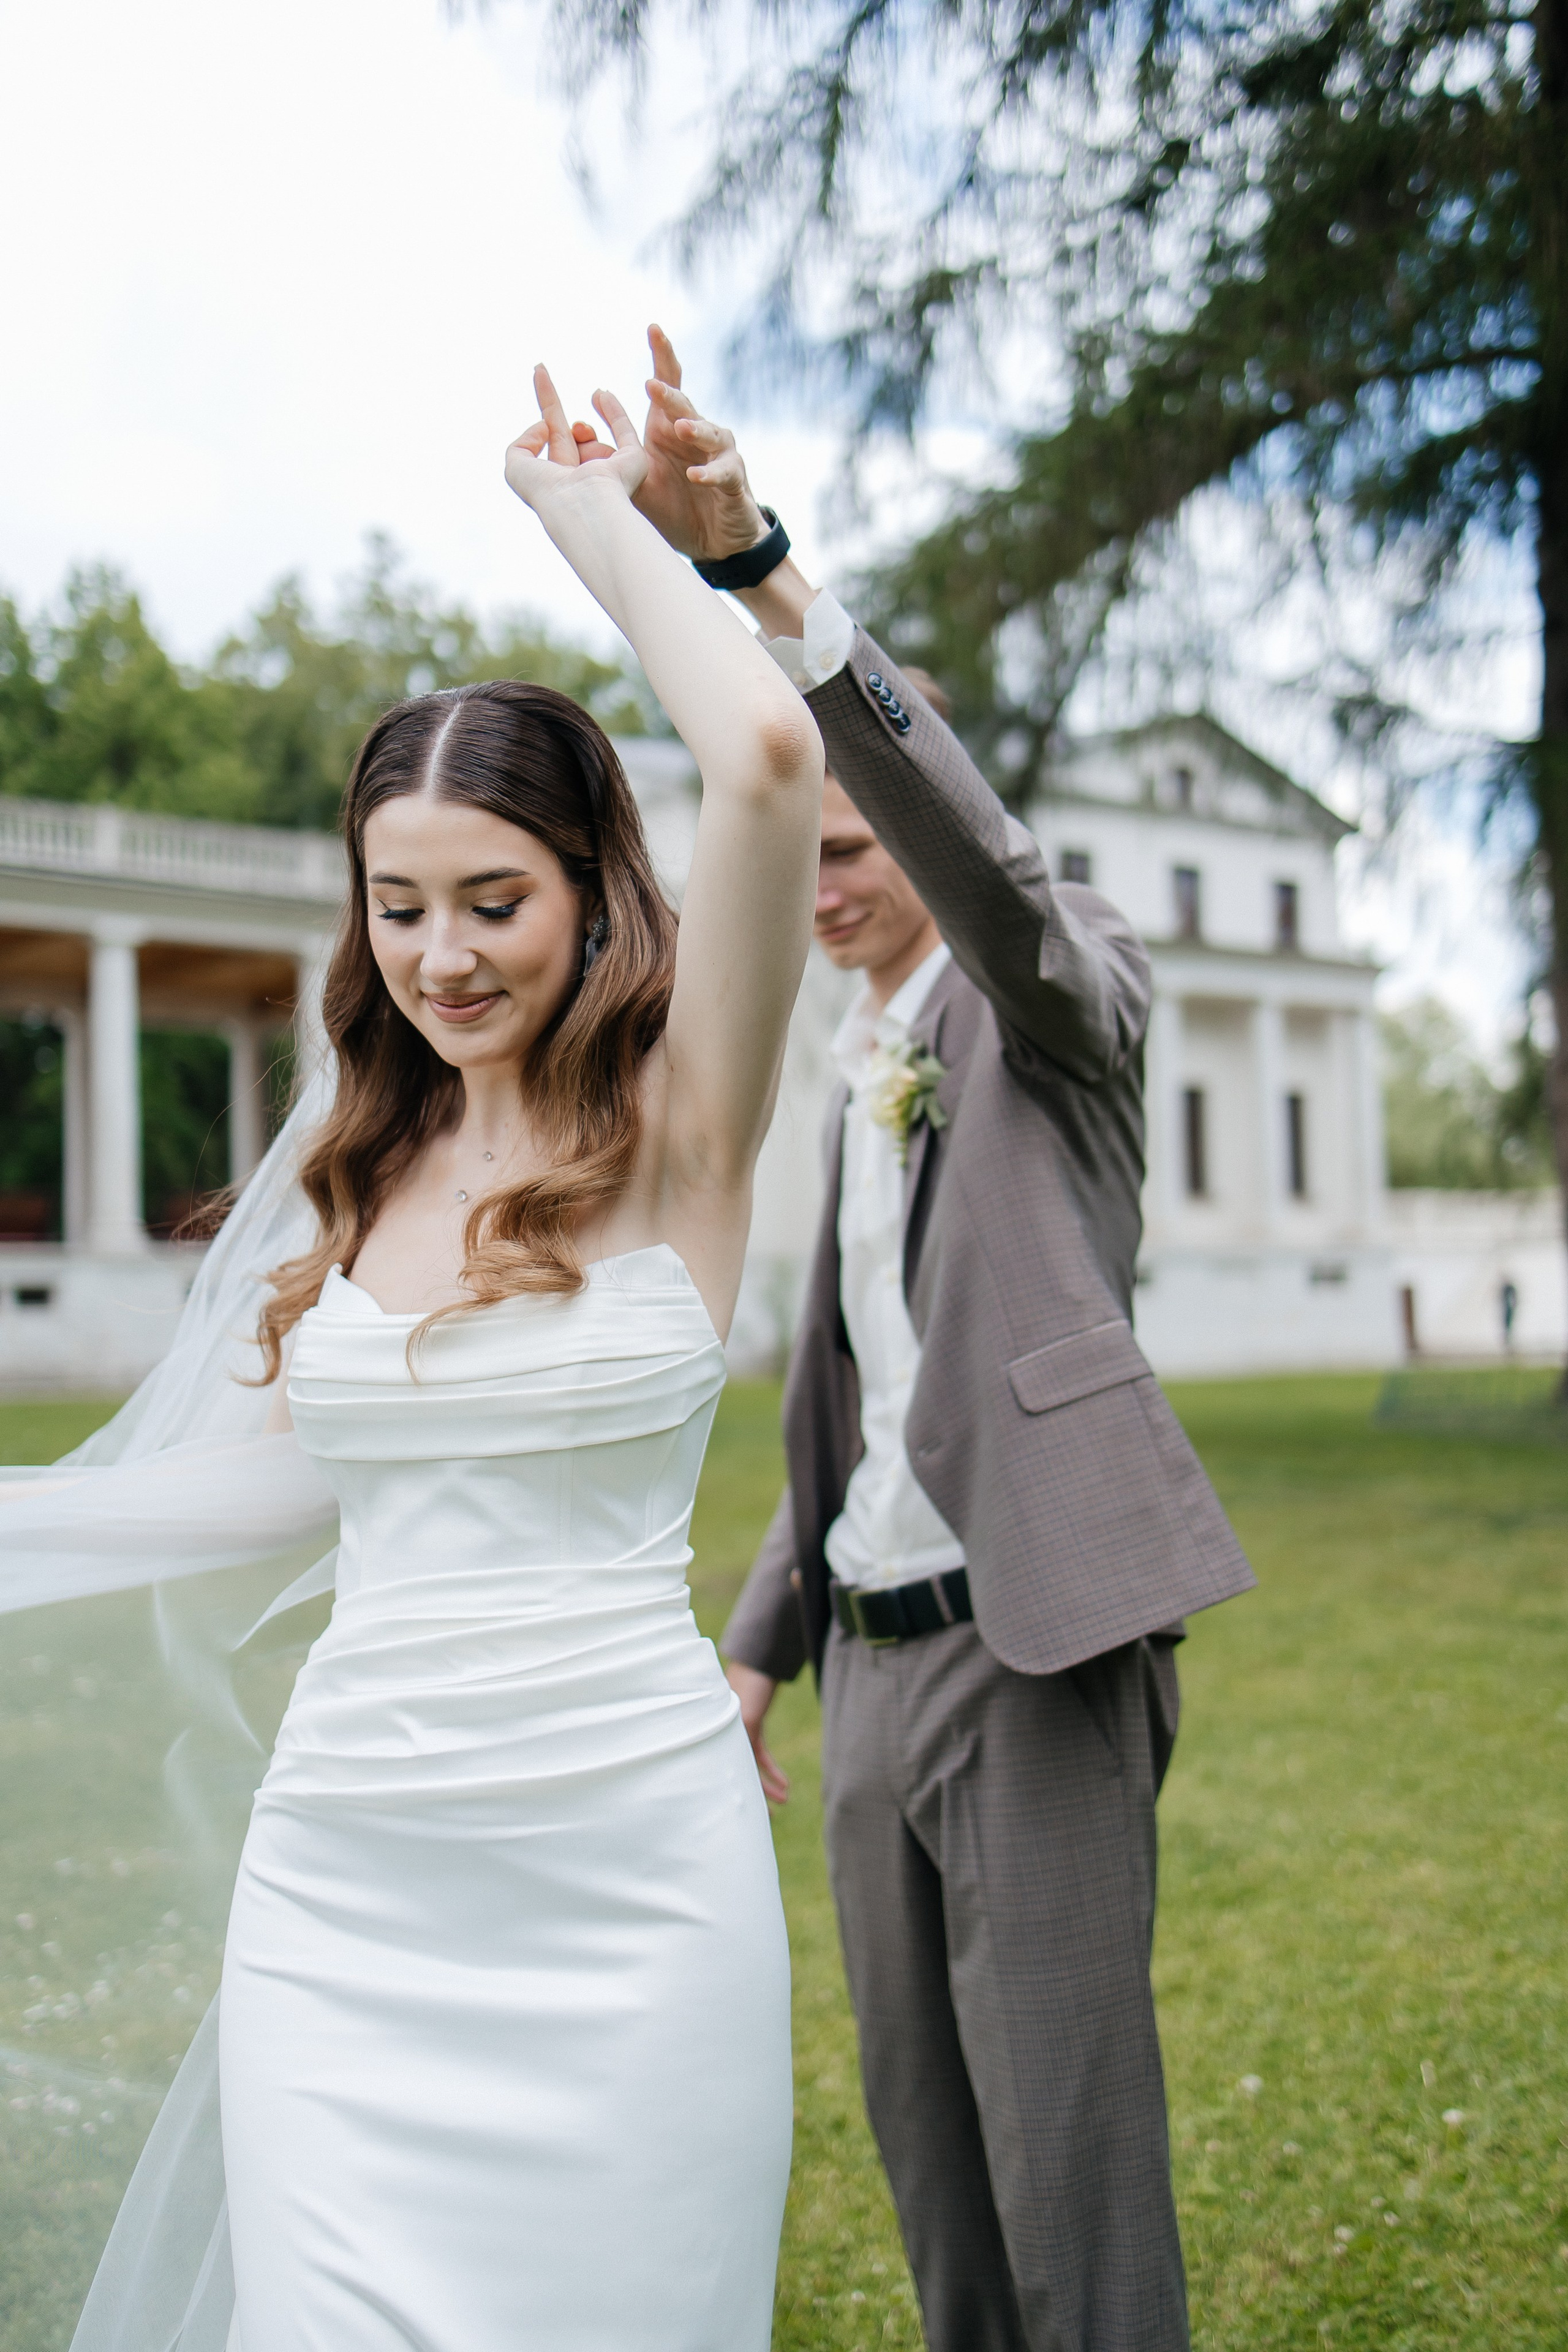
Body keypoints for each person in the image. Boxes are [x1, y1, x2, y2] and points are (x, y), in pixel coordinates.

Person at [0, 363, 823, 2350]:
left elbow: (769, 756)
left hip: (637, 1872)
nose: (442, 957)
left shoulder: (688, 1131)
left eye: (493, 901)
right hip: (353, 1880)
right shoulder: (364, 1171)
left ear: (594, 892)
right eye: (398, 908)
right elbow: (275, 1489)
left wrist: (586, 513)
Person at [633, 331, 1257, 2352]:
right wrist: (759, 1646)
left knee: (1072, 2162)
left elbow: (993, 877)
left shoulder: (1059, 995)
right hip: (874, 1677)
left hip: (1035, 1644)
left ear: (917, 824)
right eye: (798, 857)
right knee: (932, 2162)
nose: (819, 887)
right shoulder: (851, 1071)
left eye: (849, 846)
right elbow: (870, 1403)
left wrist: (763, 576)